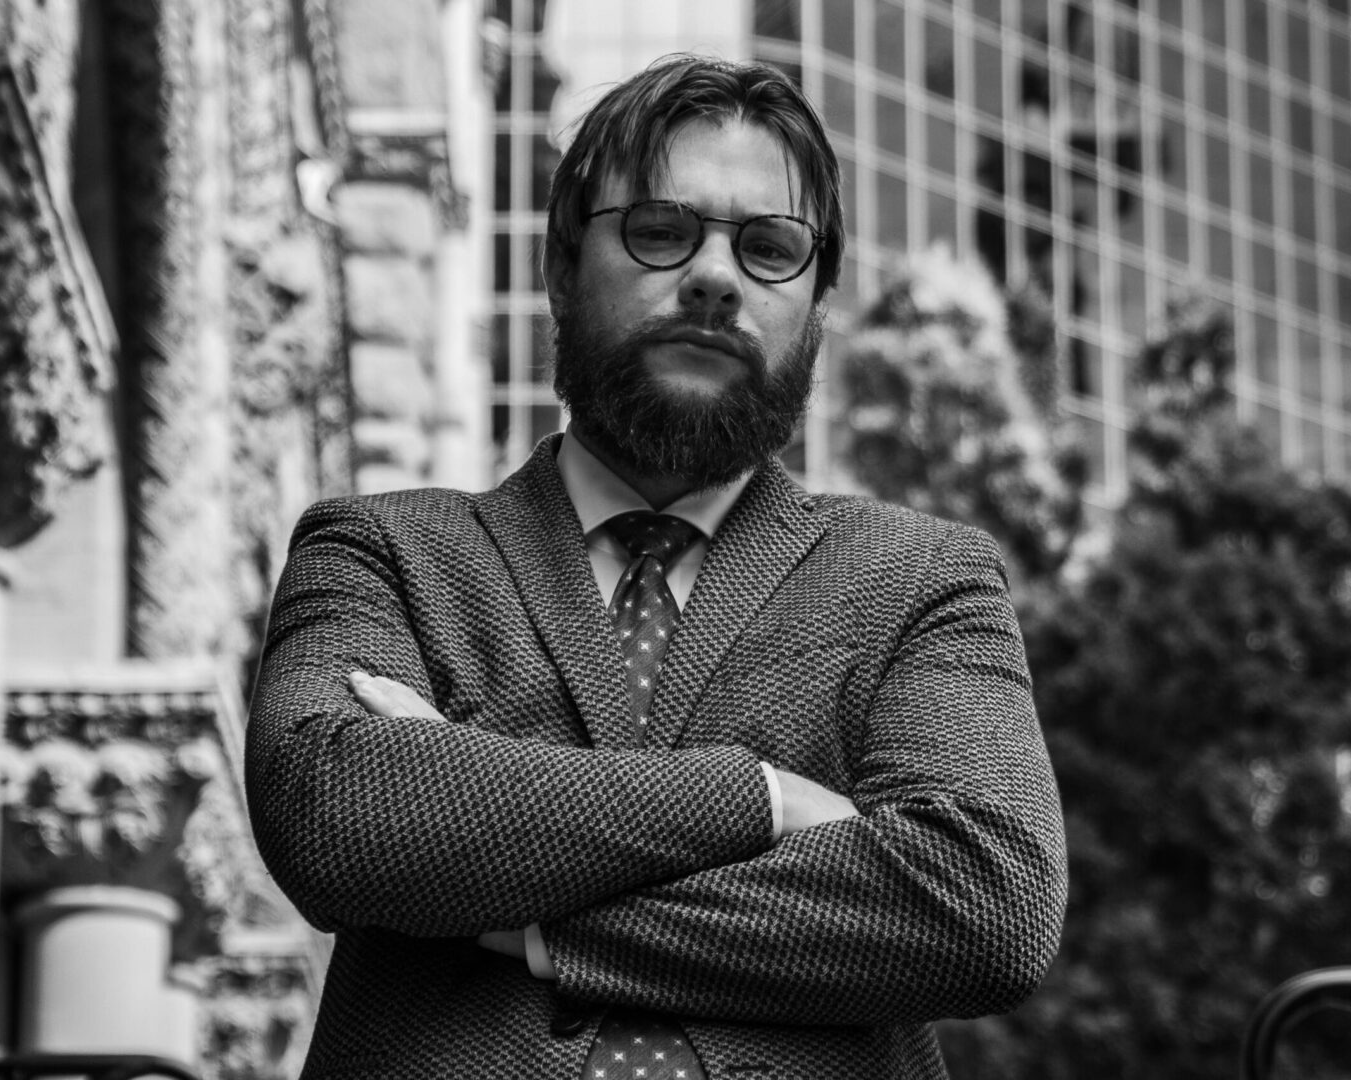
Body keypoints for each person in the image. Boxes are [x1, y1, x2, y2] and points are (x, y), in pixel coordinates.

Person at [246, 53, 1066, 1080]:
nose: (716, 278)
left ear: (816, 307)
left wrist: (533, 914)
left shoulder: (925, 581)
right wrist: (765, 802)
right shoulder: (382, 552)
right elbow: (337, 812)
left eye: (769, 247)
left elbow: (984, 902)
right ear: (559, 268)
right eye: (661, 231)